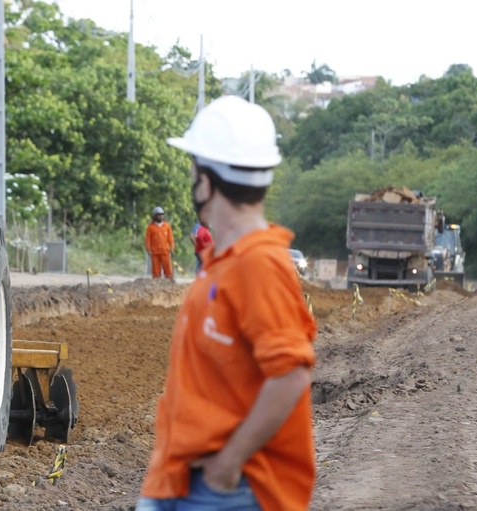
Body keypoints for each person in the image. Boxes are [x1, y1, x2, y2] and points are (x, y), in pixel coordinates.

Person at [137, 96, 317, 511]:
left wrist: (227, 465)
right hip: (180, 478)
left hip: (222, 490)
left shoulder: (259, 265)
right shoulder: (226, 260)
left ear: (206, 181)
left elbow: (290, 374)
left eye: (193, 169)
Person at [145, 206, 175, 279]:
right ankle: (156, 285)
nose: (160, 216)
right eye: (158, 215)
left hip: (165, 251)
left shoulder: (167, 226)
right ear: (155, 216)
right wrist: (148, 249)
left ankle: (169, 283)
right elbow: (147, 240)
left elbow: (170, 238)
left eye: (162, 214)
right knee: (156, 271)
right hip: (155, 252)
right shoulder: (150, 227)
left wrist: (172, 247)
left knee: (168, 269)